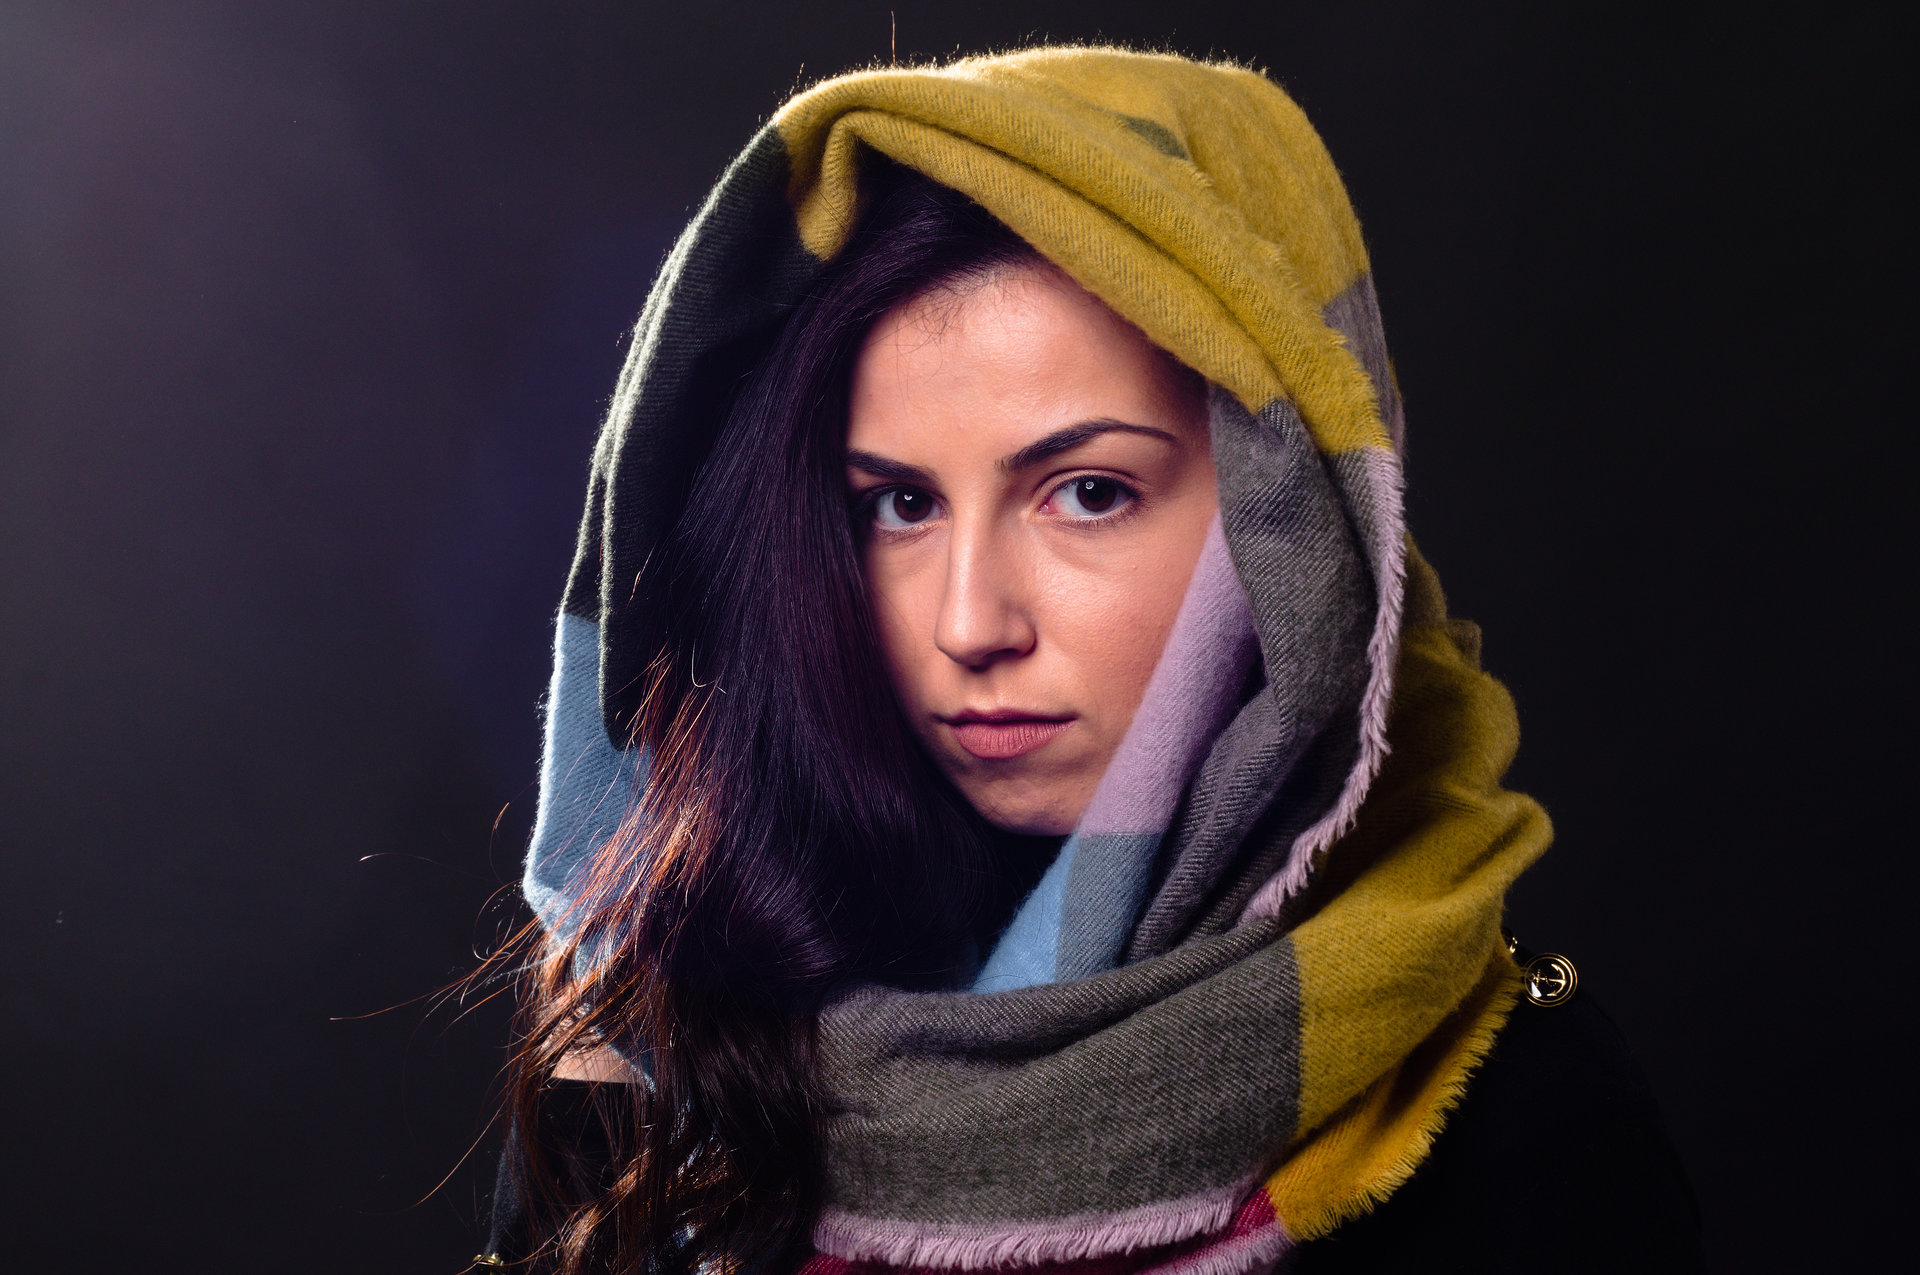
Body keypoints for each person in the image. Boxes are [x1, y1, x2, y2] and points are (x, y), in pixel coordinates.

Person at [474, 47, 1702, 1274]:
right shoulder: (666, 1026)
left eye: (1089, 492)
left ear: (1289, 528)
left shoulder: (1522, 1131)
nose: (970, 624)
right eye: (899, 505)